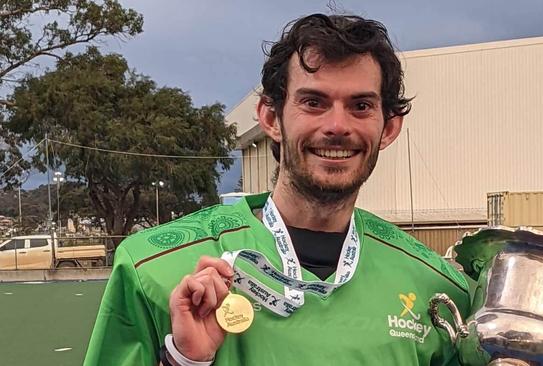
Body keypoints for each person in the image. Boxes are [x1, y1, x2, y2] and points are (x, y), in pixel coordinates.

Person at [84, 13, 470, 366]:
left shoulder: (439, 290)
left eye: (361, 106)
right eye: (313, 102)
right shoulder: (153, 268)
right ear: (270, 117)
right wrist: (182, 362)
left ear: (388, 128)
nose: (337, 125)